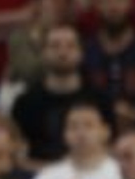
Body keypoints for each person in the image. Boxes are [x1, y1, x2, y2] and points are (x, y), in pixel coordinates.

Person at [10, 22, 89, 164]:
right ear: (43, 52)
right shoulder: (25, 103)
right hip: (35, 177)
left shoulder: (99, 101)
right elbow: (17, 154)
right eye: (55, 46)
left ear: (81, 52)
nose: (63, 52)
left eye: (70, 46)